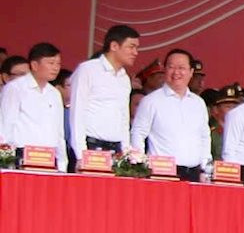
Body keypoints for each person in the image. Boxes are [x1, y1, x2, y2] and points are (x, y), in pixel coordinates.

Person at [127, 47, 211, 179]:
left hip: (194, 173)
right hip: (163, 172)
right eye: (171, 67)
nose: (176, 72)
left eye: (181, 68)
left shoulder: (198, 103)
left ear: (191, 72)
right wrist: (140, 165)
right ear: (165, 70)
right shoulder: (151, 101)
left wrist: (206, 167)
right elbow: (138, 134)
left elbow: (204, 136)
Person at [67, 23, 141, 154]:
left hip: (116, 149)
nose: (135, 53)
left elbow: (123, 117)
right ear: (114, 46)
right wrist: (81, 153)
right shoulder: (88, 70)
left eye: (137, 48)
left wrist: (126, 151)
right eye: (131, 47)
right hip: (91, 146)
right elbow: (77, 113)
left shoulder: (124, 78)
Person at [1, 42, 67, 161]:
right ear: (35, 65)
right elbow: (5, 126)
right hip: (21, 155)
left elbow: (59, 133)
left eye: (58, 63)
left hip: (49, 157)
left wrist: (62, 163)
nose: (56, 68)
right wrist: (6, 160)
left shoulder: (54, 94)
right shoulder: (15, 88)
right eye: (51, 63)